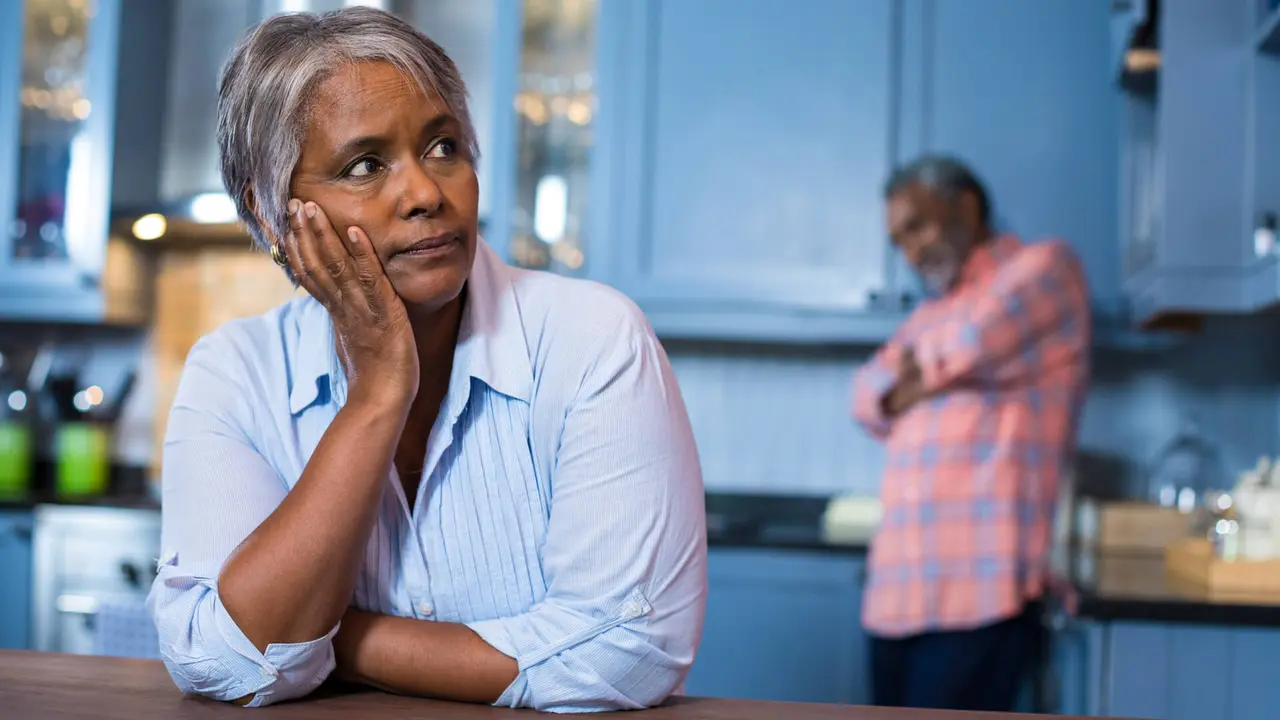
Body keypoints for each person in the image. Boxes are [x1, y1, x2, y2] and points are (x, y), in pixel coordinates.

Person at [145, 6, 706, 711]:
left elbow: (624, 655)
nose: (425, 194)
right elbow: (217, 661)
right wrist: (379, 394)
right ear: (271, 215)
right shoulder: (236, 372)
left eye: (444, 146)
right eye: (366, 165)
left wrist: (321, 637)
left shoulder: (593, 340)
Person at [850, 156, 1091, 711]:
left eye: (919, 226)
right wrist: (906, 384)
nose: (910, 251)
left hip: (980, 598)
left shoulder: (1047, 267)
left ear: (966, 205)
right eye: (898, 240)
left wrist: (915, 377)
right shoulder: (930, 313)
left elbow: (979, 340)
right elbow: (863, 396)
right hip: (895, 596)